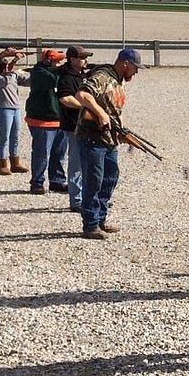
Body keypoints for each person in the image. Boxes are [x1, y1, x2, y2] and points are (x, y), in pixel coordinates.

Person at [74, 48, 141, 239]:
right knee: (93, 181)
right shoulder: (102, 76)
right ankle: (91, 225)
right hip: (92, 137)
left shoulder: (120, 82)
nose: (135, 72)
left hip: (109, 139)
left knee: (110, 177)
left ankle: (101, 219)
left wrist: (122, 131)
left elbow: (117, 110)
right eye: (134, 68)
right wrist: (101, 114)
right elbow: (82, 95)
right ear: (125, 63)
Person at [55, 46, 94, 210]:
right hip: (73, 127)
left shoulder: (83, 76)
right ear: (72, 60)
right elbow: (65, 99)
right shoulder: (66, 78)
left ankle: (88, 199)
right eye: (82, 58)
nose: (85, 60)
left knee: (89, 164)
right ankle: (76, 200)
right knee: (76, 164)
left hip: (87, 126)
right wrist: (86, 107)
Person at [25, 49, 67, 194]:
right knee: (41, 153)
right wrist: (64, 71)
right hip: (41, 120)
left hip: (59, 119)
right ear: (48, 61)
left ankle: (57, 180)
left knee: (59, 153)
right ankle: (37, 182)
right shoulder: (38, 72)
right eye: (57, 61)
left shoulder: (53, 72)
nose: (60, 64)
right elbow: (53, 80)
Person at [0, 54, 30, 175]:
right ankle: (2, 164)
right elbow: (4, 82)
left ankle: (15, 163)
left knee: (15, 137)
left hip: (15, 108)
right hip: (2, 109)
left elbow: (25, 81)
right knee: (4, 137)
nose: (6, 69)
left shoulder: (10, 76)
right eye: (5, 67)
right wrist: (15, 72)